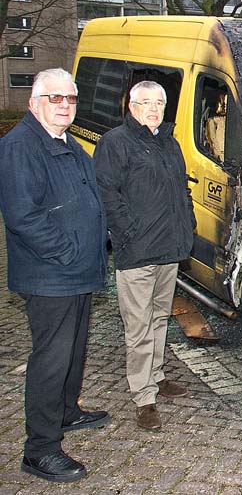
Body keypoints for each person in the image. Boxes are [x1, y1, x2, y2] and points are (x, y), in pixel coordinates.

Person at [0, 68, 108, 483]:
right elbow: (21, 215)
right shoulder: (19, 147)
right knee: (51, 358)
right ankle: (40, 449)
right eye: (55, 98)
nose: (65, 105)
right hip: (52, 275)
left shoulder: (66, 142)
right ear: (34, 102)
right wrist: (66, 252)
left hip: (78, 273)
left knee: (75, 350)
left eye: (70, 98)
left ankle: (66, 411)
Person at [94, 81, 196, 431]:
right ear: (131, 106)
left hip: (168, 249)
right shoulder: (115, 143)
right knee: (137, 327)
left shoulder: (169, 143)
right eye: (146, 103)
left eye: (159, 103)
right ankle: (144, 397)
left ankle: (156, 375)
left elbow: (182, 189)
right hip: (137, 253)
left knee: (158, 318)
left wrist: (188, 225)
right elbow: (107, 196)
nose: (153, 109)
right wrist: (129, 234)